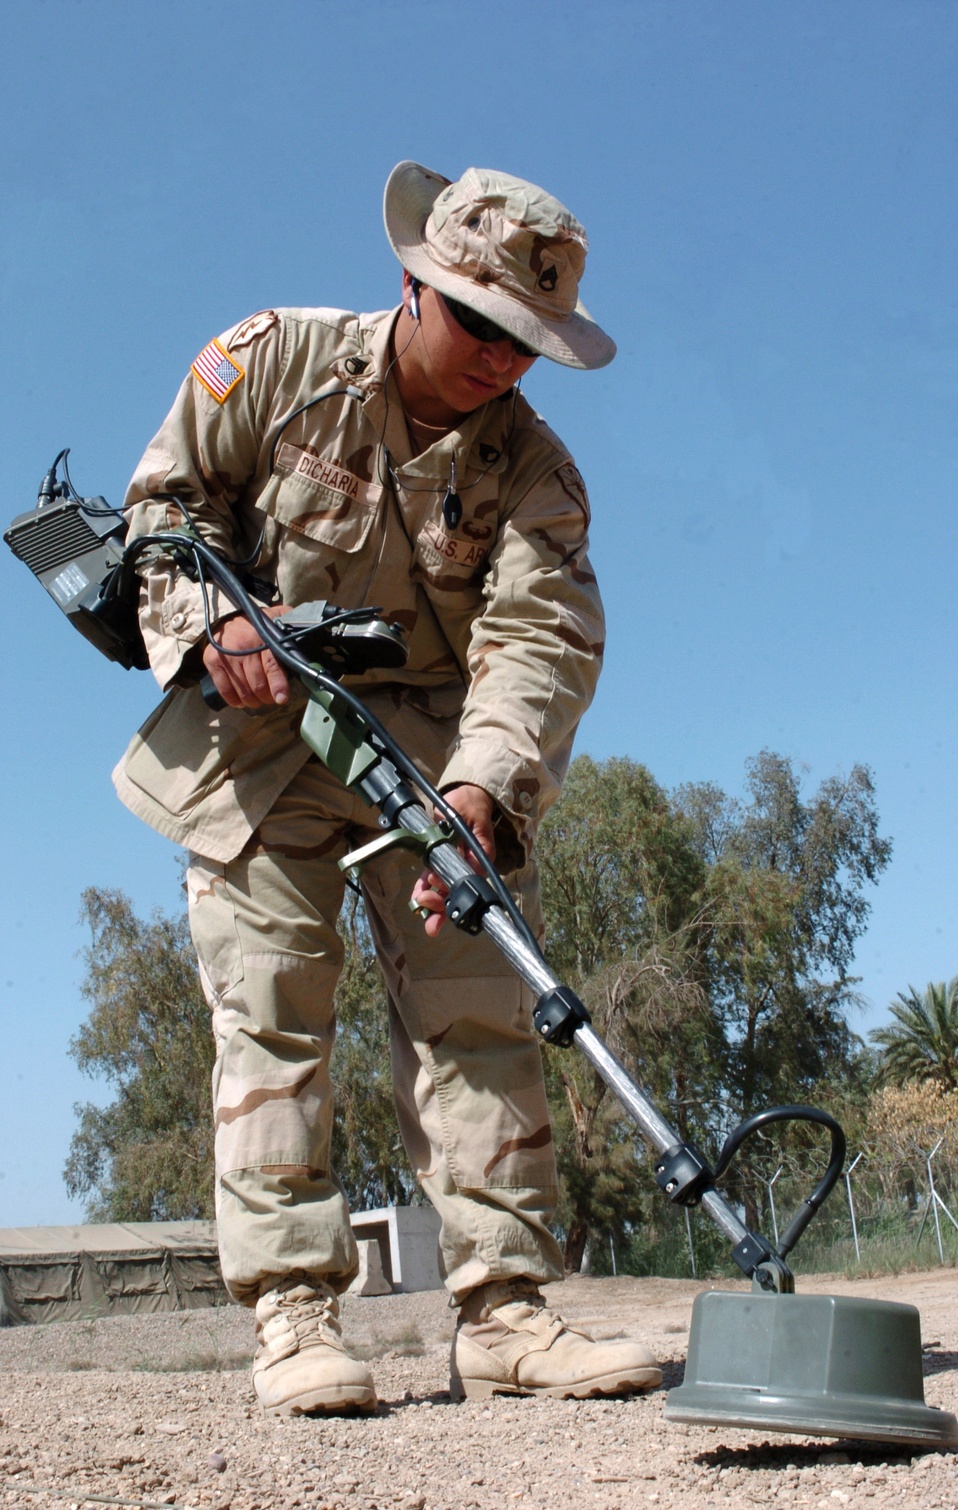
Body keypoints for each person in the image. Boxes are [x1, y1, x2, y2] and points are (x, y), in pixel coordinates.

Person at [114, 161, 661, 1415]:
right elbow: (159, 510)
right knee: (271, 1013)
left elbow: (538, 643)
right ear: (411, 280)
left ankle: (504, 1311)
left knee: (482, 1009)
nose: (500, 361)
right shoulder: (271, 361)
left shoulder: (537, 472)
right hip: (254, 734)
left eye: (530, 343)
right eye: (480, 325)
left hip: (431, 760)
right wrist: (209, 622)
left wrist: (482, 794)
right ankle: (296, 1316)